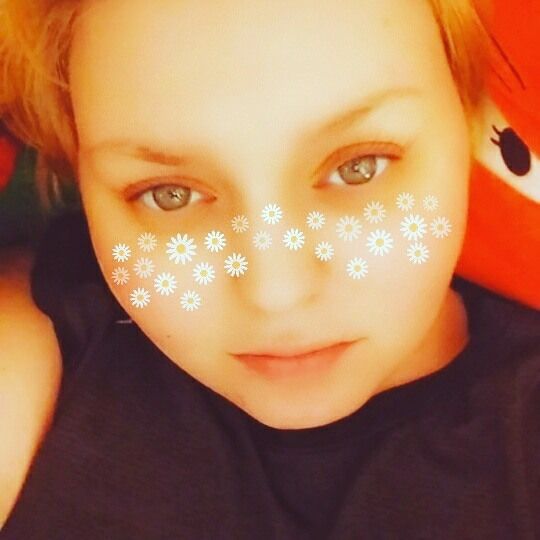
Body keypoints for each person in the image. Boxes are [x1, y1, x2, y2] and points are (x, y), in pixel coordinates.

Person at [0, 0, 538, 538]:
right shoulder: (43, 354)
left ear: (465, 121)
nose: (276, 292)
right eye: (169, 194)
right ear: (79, 175)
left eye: (358, 167)